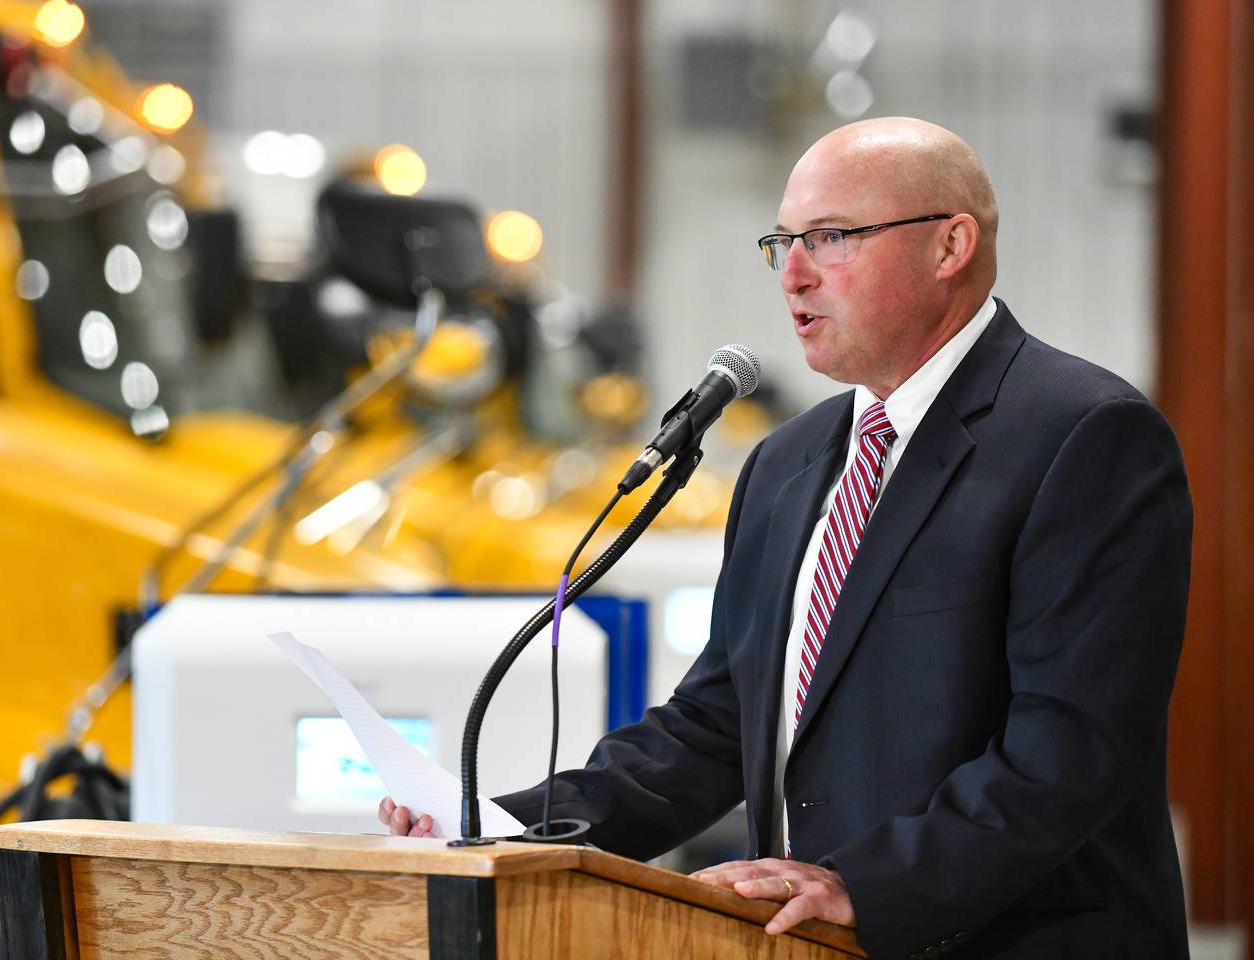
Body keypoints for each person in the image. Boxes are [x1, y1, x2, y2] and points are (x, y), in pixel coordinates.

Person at [380, 117, 1192, 960]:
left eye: (831, 238)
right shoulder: (789, 462)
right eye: (783, 242)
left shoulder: (1085, 436)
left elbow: (1073, 747)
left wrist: (862, 884)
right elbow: (717, 722)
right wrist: (506, 830)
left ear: (950, 245)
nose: (793, 274)